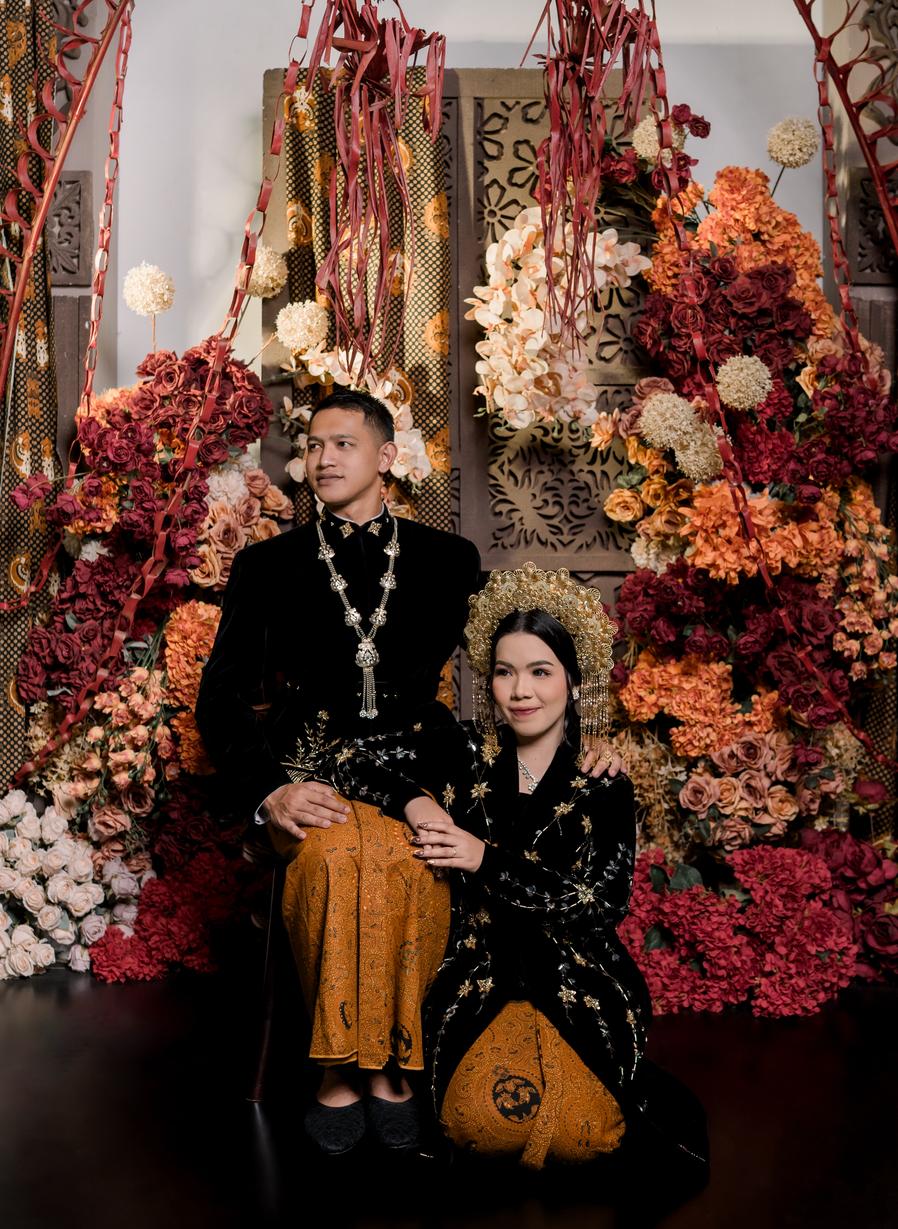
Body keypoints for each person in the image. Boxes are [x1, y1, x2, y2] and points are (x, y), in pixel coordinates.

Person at [318, 564, 707, 1172]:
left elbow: (601, 904)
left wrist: (484, 859)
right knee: (485, 1125)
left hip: (579, 980)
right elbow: (345, 757)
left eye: (540, 671)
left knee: (582, 1136)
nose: (521, 691)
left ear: (574, 680)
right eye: (505, 672)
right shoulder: (460, 749)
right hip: (477, 977)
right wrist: (415, 800)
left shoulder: (602, 780)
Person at [195, 388, 483, 1155]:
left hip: (417, 773)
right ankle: (337, 1071)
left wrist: (570, 740)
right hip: (308, 774)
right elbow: (219, 697)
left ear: (386, 457)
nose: (322, 458)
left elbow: (521, 664)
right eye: (314, 445)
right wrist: (271, 792)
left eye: (342, 444)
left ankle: (393, 1067)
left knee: (409, 862)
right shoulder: (267, 565)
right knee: (334, 860)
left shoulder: (449, 561)